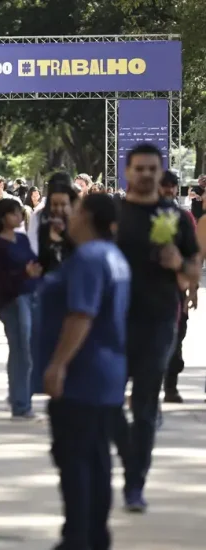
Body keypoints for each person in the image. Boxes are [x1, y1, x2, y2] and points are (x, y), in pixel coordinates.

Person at [35, 194, 130, 550]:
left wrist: (58, 364)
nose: (69, 216)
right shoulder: (113, 256)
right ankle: (94, 533)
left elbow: (81, 314)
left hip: (83, 375)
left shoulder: (90, 258)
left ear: (87, 216)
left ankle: (78, 537)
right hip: (105, 374)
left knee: (76, 460)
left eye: (75, 211)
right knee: (95, 458)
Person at [112, 143, 200, 512]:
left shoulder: (176, 218)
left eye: (152, 169)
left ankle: (135, 484)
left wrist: (179, 262)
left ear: (160, 172)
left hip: (159, 320)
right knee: (106, 402)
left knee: (147, 404)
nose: (146, 174)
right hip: (112, 321)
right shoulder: (112, 215)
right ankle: (130, 453)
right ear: (128, 172)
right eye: (139, 168)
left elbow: (193, 270)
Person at [0, 198, 42, 419]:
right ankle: (21, 403)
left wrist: (34, 273)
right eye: (14, 213)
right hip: (12, 300)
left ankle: (19, 396)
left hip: (28, 296)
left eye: (19, 213)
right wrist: (23, 274)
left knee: (24, 349)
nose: (18, 217)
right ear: (3, 217)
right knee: (21, 351)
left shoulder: (22, 240)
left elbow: (34, 262)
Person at [159, 170, 197, 403]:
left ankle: (170, 386)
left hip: (176, 291)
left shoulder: (184, 218)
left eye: (173, 186)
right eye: (165, 186)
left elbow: (193, 258)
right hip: (146, 292)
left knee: (177, 337)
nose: (169, 190)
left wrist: (192, 290)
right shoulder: (143, 216)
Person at [33, 179, 79, 274]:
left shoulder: (79, 231)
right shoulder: (43, 229)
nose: (58, 209)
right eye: (54, 204)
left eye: (63, 204)